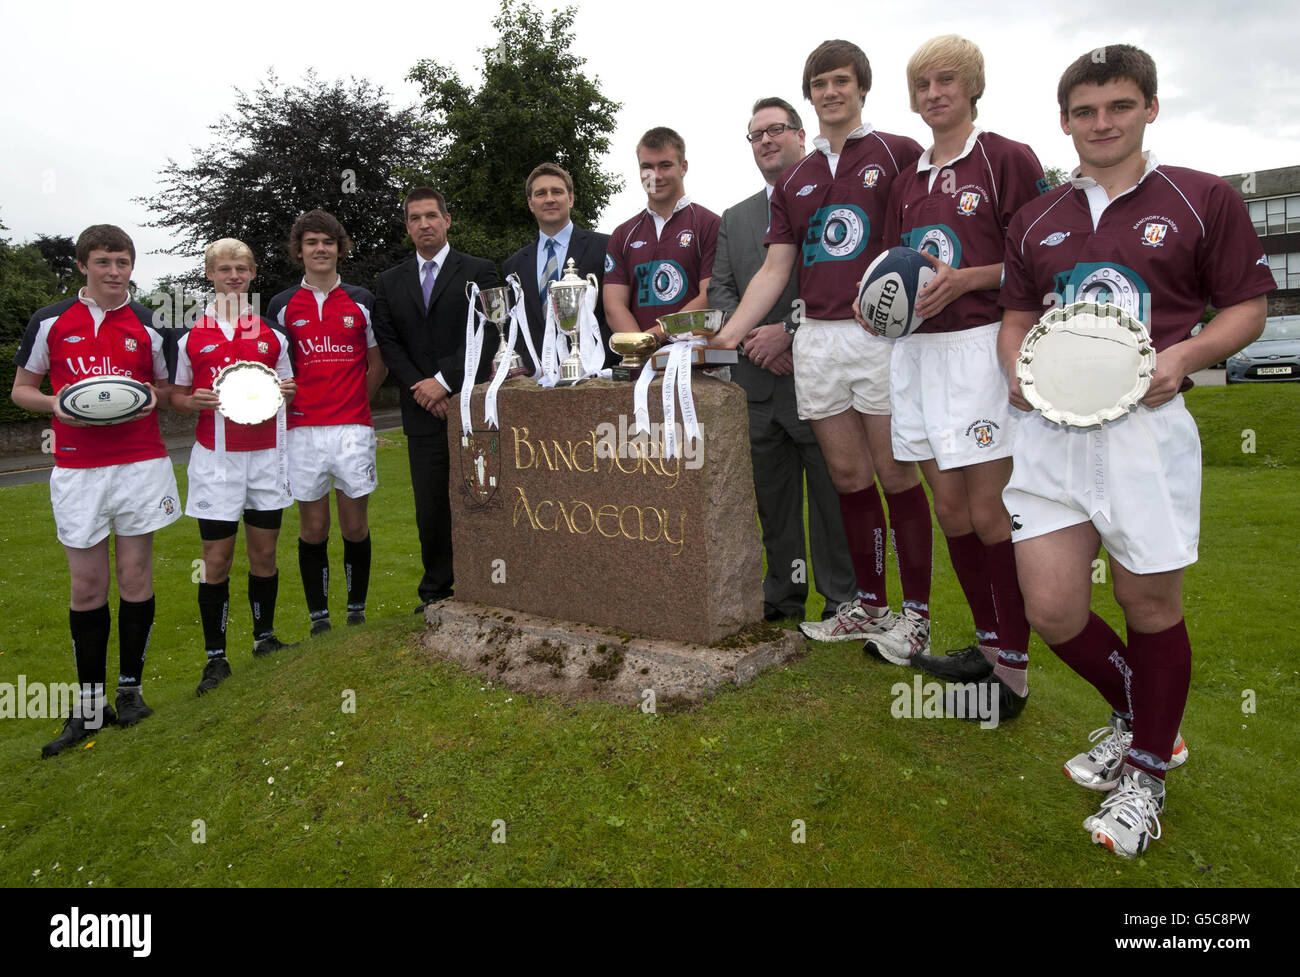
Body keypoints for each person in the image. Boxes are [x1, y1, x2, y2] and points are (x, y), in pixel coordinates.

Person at [998, 44, 1272, 856]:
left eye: (1118, 106)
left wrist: (1183, 358)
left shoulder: (1201, 198)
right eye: (1084, 111)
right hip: (1050, 435)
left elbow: (1248, 307)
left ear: (1149, 108)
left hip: (1145, 433)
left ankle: (1147, 772)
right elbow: (1015, 317)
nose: (1101, 123)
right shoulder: (1038, 217)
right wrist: (1014, 368)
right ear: (1064, 122)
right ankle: (1142, 717)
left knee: (1149, 605)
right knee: (1052, 608)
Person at [711, 40, 931, 664]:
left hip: (880, 337)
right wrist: (724, 340)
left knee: (895, 475)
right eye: (820, 83)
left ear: (861, 88)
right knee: (848, 477)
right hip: (818, 339)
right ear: (810, 93)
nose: (831, 91)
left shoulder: (897, 152)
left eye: (841, 81)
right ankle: (867, 604)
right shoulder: (797, 181)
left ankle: (915, 616)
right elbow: (775, 269)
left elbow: (916, 240)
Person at [880, 35, 1045, 718]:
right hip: (918, 353)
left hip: (980, 345)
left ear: (972, 87)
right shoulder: (906, 180)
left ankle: (1013, 671)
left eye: (947, 81)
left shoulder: (1007, 157)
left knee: (987, 509)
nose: (933, 94)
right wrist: (879, 309)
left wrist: (965, 281)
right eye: (922, 84)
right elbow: (892, 268)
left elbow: (1040, 260)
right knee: (949, 508)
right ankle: (985, 645)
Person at [11, 224, 179, 755]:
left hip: (139, 463)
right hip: (78, 468)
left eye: (122, 262)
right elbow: (22, 390)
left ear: (132, 265)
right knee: (86, 587)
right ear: (83, 265)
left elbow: (168, 390)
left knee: (135, 577)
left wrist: (140, 398)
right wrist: (60, 404)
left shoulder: (151, 323)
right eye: (103, 261)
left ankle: (130, 692)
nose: (113, 271)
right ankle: (88, 705)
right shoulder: (51, 320)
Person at [709, 96, 856, 624]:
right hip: (756, 384)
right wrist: (754, 342)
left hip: (817, 379)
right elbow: (722, 291)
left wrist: (789, 333)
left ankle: (843, 598)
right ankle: (785, 593)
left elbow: (844, 282)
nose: (766, 141)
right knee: (773, 504)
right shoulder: (736, 217)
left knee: (833, 499)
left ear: (799, 134)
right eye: (756, 135)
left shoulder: (833, 198)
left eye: (775, 130)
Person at [172, 239, 297, 695]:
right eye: (225, 269)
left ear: (252, 273)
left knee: (264, 554)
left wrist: (287, 391)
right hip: (217, 462)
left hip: (267, 457)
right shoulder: (191, 335)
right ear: (210, 274)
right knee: (217, 561)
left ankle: (264, 639)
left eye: (242, 268)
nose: (234, 276)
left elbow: (289, 386)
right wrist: (193, 401)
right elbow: (177, 398)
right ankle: (215, 658)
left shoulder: (272, 334)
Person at [372, 188, 499, 610]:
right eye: (415, 218)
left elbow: (491, 332)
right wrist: (423, 390)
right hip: (421, 410)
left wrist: (444, 381)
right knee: (430, 507)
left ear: (447, 220)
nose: (424, 224)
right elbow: (390, 345)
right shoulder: (389, 283)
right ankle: (436, 591)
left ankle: (488, 583)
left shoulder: (480, 271)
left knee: (483, 497)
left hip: (469, 405)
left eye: (431, 215)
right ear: (407, 226)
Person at [266, 210, 387, 635]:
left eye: (328, 242)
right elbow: (275, 370)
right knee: (313, 527)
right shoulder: (281, 306)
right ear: (299, 251)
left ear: (340, 248)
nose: (321, 249)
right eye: (312, 242)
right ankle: (319, 617)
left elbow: (377, 365)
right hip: (301, 429)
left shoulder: (362, 300)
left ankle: (356, 608)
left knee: (354, 524)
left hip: (352, 428)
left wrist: (354, 402)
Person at [603, 128, 720, 344]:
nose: (655, 176)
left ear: (683, 167)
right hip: (641, 367)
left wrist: (654, 338)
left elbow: (710, 297)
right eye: (647, 167)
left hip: (695, 362)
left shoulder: (710, 224)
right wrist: (640, 347)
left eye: (665, 165)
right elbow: (613, 306)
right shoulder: (623, 234)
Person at [502, 163, 611, 371]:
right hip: (536, 380)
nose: (550, 199)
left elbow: (611, 314)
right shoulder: (513, 266)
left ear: (570, 199)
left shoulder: (605, 247)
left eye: (557, 192)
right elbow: (513, 328)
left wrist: (596, 363)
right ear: (531, 203)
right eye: (541, 193)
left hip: (594, 372)